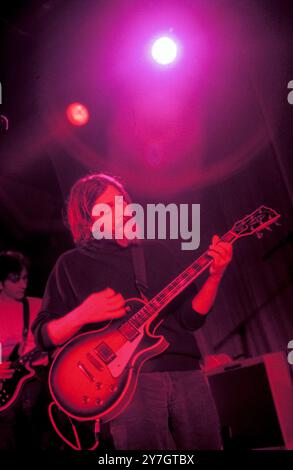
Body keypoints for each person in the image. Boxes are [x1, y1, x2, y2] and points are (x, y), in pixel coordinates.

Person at [32, 173, 233, 450]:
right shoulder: (71, 264)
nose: (125, 210)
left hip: (186, 372)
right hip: (127, 386)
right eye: (110, 206)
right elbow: (43, 336)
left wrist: (214, 276)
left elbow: (191, 319)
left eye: (123, 202)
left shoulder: (158, 253)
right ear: (88, 217)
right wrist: (82, 314)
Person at [0, 251, 48, 449]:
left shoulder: (38, 304)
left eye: (25, 278)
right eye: (15, 279)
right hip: (6, 388)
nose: (23, 284)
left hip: (39, 380)